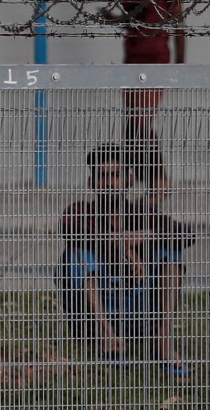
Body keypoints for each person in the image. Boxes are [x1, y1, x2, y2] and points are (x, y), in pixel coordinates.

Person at [59, 144, 191, 377]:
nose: (110, 183)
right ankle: (108, 338)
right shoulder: (80, 212)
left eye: (115, 175)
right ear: (91, 183)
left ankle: (164, 342)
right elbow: (69, 227)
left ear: (129, 179)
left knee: (170, 253)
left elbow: (185, 234)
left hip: (140, 311)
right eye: (103, 176)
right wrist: (122, 247)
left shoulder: (141, 214)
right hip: (97, 315)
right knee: (76, 253)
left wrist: (144, 236)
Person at [100, 0, 185, 206]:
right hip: (131, 61)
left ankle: (156, 180)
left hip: (155, 60)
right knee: (132, 125)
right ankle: (139, 177)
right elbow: (131, 20)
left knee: (139, 122)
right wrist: (112, 19)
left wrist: (180, 65)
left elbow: (178, 23)